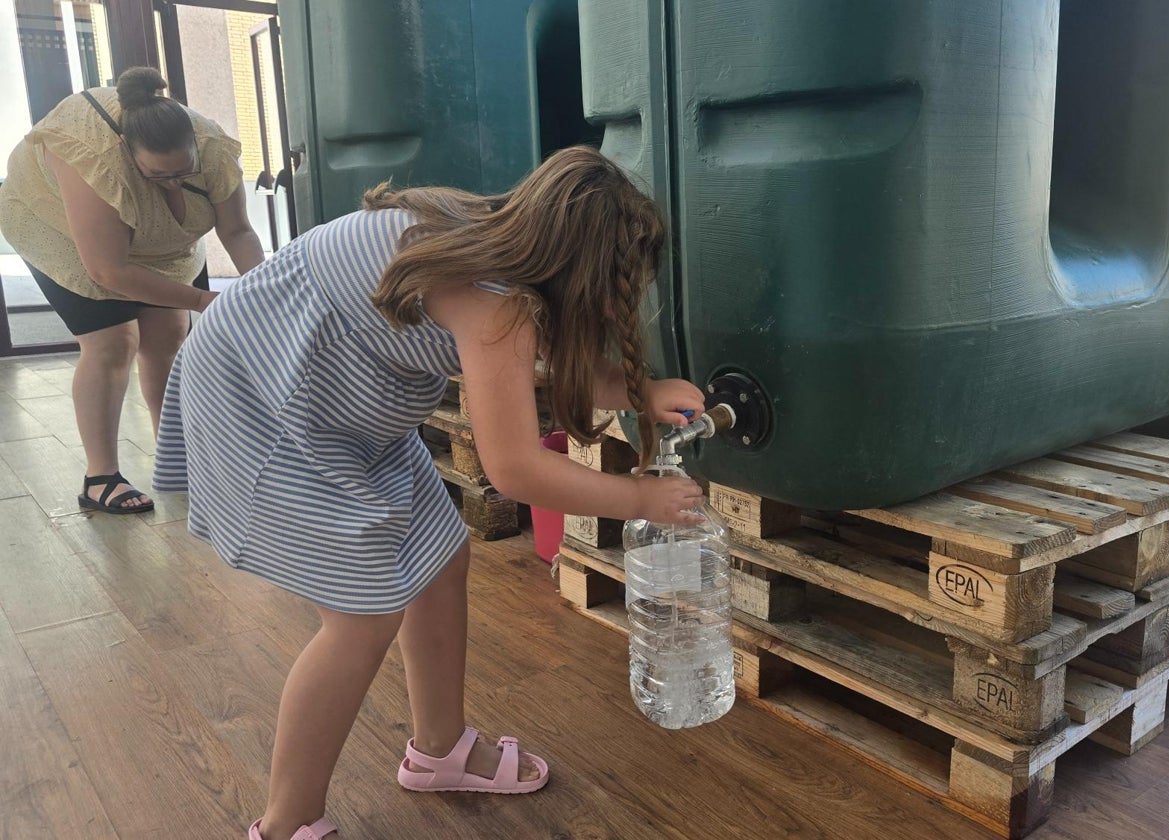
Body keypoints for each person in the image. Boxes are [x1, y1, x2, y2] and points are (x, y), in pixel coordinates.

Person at [151, 145, 707, 840]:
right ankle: (288, 822)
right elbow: (516, 471)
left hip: (341, 406)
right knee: (362, 617)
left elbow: (531, 362)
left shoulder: (480, 232)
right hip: (265, 405)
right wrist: (640, 501)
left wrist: (638, 391)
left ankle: (439, 751)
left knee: (440, 558)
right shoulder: (490, 299)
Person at [0, 66, 265, 514]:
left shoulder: (214, 148)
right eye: (160, 177)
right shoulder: (91, 154)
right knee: (113, 342)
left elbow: (237, 230)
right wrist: (204, 300)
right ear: (126, 150)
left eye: (184, 172)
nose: (176, 184)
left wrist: (263, 296)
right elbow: (108, 270)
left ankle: (177, 456)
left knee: (167, 337)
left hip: (159, 241)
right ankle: (100, 477)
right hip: (61, 230)